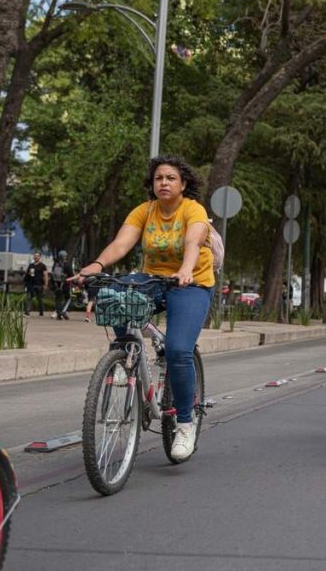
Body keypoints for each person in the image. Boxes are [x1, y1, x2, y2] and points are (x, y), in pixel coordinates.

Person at [74, 155, 214, 461]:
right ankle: (124, 357)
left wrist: (187, 269)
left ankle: (185, 423)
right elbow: (122, 244)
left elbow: (193, 242)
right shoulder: (144, 211)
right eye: (158, 178)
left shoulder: (193, 210)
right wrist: (95, 265)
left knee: (178, 350)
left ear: (183, 184)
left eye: (171, 178)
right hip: (153, 280)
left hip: (190, 283)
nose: (163, 183)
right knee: (116, 295)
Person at [23, 250, 48, 316]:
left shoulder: (43, 266)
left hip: (39, 285)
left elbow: (45, 275)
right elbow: (28, 274)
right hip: (31, 284)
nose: (36, 257)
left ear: (40, 257)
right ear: (33, 257)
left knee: (40, 299)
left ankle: (41, 312)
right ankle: (27, 312)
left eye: (37, 256)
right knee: (29, 298)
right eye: (35, 256)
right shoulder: (31, 265)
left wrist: (45, 284)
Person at [51, 250, 73, 320]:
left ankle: (59, 315)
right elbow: (71, 274)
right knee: (68, 298)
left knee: (58, 300)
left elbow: (52, 274)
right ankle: (63, 311)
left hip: (57, 284)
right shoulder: (67, 264)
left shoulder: (55, 264)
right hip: (65, 284)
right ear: (65, 256)